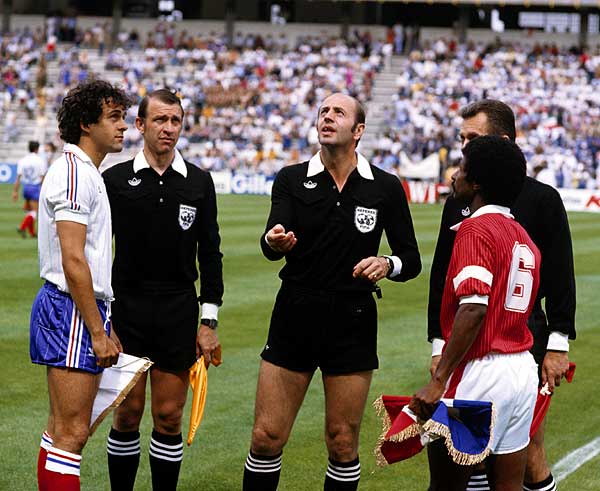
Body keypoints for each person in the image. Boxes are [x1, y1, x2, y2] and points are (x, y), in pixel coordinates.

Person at [243, 93, 421, 491]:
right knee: (266, 436)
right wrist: (274, 241)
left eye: (338, 112)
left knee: (342, 441)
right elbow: (271, 241)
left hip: (352, 319)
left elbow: (411, 259)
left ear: (358, 130)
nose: (327, 117)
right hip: (295, 313)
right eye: (323, 111)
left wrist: (387, 263)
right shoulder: (291, 178)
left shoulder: (385, 186)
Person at [427, 100, 576, 491]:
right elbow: (440, 278)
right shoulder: (515, 230)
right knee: (507, 472)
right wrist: (437, 343)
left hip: (481, 361)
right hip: (518, 363)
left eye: (471, 144)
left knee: (451, 480)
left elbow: (475, 307)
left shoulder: (482, 226)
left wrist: (439, 378)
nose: (459, 161)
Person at [102, 88, 224, 491]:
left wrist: (208, 321)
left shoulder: (199, 182)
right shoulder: (114, 180)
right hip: (127, 309)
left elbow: (211, 253)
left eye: (175, 121)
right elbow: (97, 254)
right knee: (127, 414)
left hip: (177, 310)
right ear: (140, 124)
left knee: (169, 417)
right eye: (160, 120)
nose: (168, 128)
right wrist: (103, 320)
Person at [412, 135, 541, 491]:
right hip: (521, 370)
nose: (455, 174)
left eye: (462, 168)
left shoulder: (475, 229)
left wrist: (439, 379)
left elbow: (473, 308)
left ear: (477, 182)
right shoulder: (523, 237)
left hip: (480, 374)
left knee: (446, 486)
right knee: (508, 486)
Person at [30, 79, 131, 491]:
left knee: (61, 431)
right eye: (114, 117)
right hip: (70, 309)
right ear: (87, 124)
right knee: (71, 435)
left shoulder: (85, 171)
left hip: (76, 308)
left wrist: (104, 321)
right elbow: (73, 259)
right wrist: (95, 329)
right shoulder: (74, 173)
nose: (123, 126)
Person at [12, 140, 47, 238]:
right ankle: (22, 227)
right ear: (37, 149)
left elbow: (18, 178)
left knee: (29, 211)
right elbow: (42, 177)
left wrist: (15, 192)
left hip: (26, 187)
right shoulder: (40, 160)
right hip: (35, 187)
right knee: (35, 212)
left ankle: (32, 233)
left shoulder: (23, 160)